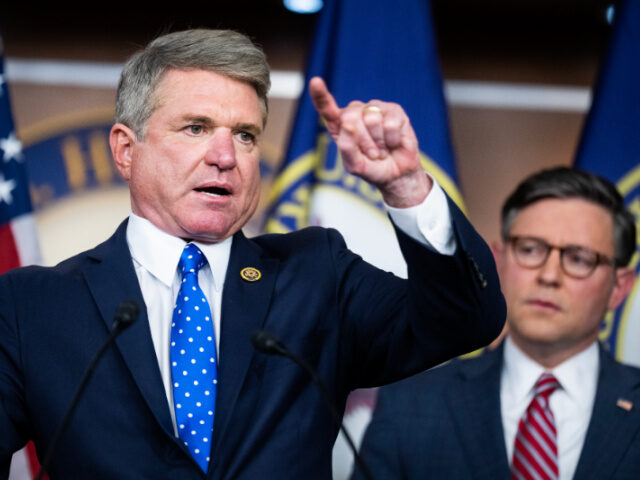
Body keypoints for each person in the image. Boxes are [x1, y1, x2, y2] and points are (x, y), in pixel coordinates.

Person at [0, 29, 505, 479]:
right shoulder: (31, 306)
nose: (225, 157)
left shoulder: (316, 276)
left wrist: (406, 186)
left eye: (244, 136)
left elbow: (465, 321)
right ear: (127, 150)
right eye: (196, 127)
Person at [354, 167, 640, 480]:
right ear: (498, 261)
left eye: (579, 259)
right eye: (530, 250)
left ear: (619, 287)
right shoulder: (409, 405)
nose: (548, 275)